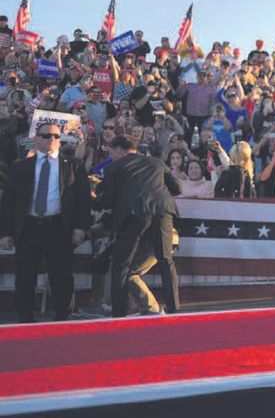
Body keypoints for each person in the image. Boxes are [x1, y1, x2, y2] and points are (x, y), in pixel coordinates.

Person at [0, 123, 92, 323]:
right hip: (28, 227)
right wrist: (5, 232)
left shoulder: (73, 165)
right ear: (36, 139)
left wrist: (80, 226)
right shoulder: (20, 166)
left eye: (56, 136)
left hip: (59, 226)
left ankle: (62, 317)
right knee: (25, 276)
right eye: (46, 135)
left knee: (62, 276)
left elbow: (83, 198)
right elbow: (8, 202)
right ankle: (25, 318)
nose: (52, 139)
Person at [94, 134, 182, 317]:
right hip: (162, 212)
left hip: (133, 216)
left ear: (118, 150)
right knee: (166, 261)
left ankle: (118, 314)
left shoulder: (114, 168)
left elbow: (107, 200)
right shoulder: (156, 163)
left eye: (113, 152)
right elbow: (178, 189)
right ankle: (175, 310)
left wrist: (95, 200)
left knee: (121, 265)